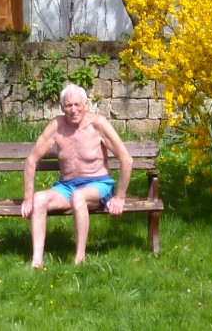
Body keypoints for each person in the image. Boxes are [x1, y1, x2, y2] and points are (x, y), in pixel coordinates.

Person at [21, 83, 133, 267]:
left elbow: (126, 160)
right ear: (62, 107)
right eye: (68, 105)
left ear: (86, 104)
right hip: (66, 186)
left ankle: (79, 259)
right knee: (39, 199)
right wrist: (27, 198)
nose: (73, 110)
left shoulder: (98, 124)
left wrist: (120, 197)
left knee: (78, 196)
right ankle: (36, 261)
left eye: (77, 104)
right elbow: (31, 160)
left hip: (98, 185)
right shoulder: (56, 126)